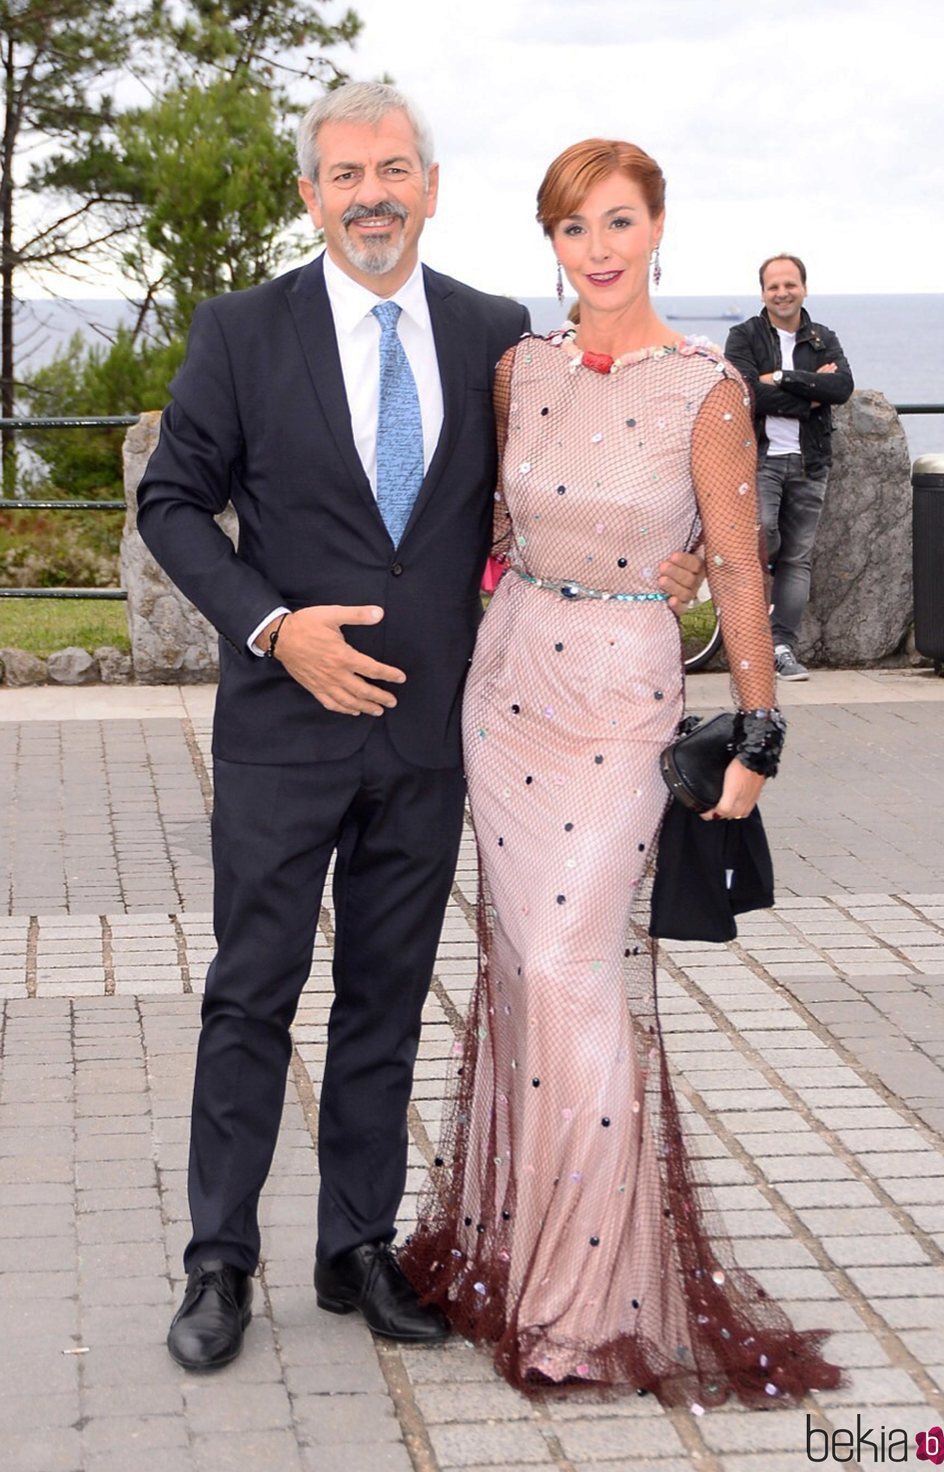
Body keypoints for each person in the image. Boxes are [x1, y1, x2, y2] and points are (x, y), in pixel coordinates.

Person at [137, 83, 703, 1372]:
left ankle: (355, 1244)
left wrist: (654, 567)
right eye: (345, 175)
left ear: (431, 186)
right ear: (310, 196)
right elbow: (172, 503)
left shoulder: (493, 334)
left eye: (394, 168)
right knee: (249, 995)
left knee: (385, 995)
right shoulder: (238, 333)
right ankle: (219, 1257)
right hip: (282, 730)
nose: (372, 192)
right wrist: (276, 625)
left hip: (434, 740)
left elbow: (555, 491)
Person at [401, 140, 843, 1409]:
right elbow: (489, 526)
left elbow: (740, 561)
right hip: (509, 683)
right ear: (550, 244)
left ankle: (591, 1301)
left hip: (620, 694)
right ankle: (519, 1251)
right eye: (569, 228)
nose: (593, 248)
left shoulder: (706, 387)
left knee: (568, 966)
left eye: (615, 222)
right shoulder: (518, 369)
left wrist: (756, 734)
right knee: (522, 977)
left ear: (654, 228)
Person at [725, 256, 853, 681]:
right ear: (763, 292)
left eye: (790, 284)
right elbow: (746, 395)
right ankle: (755, 632)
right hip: (761, 460)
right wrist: (809, 389)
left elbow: (841, 388)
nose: (782, 292)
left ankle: (781, 646)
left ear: (804, 287)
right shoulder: (742, 336)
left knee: (797, 559)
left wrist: (779, 377)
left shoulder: (822, 337)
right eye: (774, 286)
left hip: (810, 462)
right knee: (765, 537)